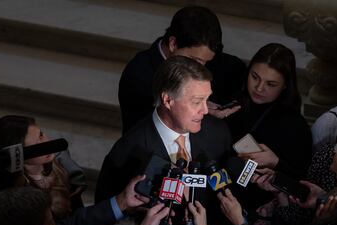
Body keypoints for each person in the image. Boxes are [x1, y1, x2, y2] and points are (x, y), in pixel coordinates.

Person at [97, 55, 232, 204]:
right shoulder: (126, 153)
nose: (205, 110)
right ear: (168, 100)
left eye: (207, 100)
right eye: (197, 102)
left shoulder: (218, 132)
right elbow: (110, 212)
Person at [118, 5, 245, 134]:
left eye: (206, 61)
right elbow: (145, 133)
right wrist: (201, 111)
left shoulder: (211, 58)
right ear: (173, 44)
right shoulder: (138, 75)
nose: (200, 67)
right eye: (195, 60)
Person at [227, 43, 312, 182]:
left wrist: (276, 163)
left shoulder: (296, 127)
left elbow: (302, 181)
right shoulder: (232, 101)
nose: (259, 88)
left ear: (285, 85)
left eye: (271, 84)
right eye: (255, 77)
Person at [0, 115, 87, 218]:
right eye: (35, 146)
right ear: (17, 156)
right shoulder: (17, 193)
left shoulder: (61, 161)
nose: (46, 144)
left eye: (41, 135)